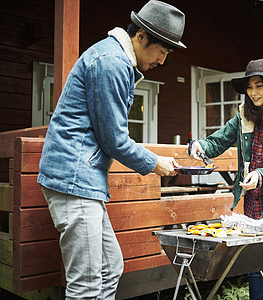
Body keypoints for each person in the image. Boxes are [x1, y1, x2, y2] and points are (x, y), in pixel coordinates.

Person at [37, 1, 186, 298]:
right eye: (162, 50)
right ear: (141, 36)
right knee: (87, 283)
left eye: (167, 53)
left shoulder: (115, 59)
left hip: (83, 182)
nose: (162, 59)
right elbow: (114, 140)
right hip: (74, 180)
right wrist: (156, 163)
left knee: (109, 268)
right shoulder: (111, 62)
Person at [189, 58, 263, 300]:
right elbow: (217, 142)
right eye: (249, 87)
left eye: (259, 86)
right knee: (254, 264)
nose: (253, 93)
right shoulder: (243, 118)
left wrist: (261, 174)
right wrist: (199, 145)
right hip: (255, 198)